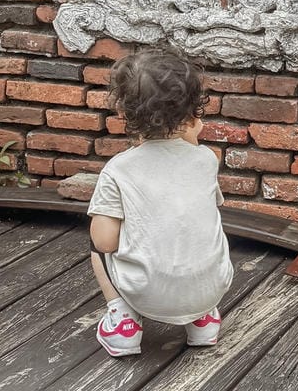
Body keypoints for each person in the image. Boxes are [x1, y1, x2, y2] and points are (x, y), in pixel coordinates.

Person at [87, 49, 234, 357]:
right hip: (212, 287)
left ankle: (123, 323)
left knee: (95, 244)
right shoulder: (206, 159)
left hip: (147, 292)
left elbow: (105, 241)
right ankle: (203, 320)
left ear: (125, 114)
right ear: (194, 113)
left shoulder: (119, 168)